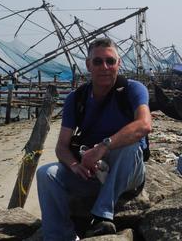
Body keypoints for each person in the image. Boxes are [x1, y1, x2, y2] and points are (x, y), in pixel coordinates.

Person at [36, 37, 152, 240]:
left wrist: (102, 147)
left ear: (119, 63)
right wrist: (74, 165)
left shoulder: (133, 89)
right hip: (93, 172)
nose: (104, 67)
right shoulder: (76, 98)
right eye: (98, 61)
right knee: (46, 173)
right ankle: (59, 236)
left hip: (128, 172)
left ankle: (101, 216)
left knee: (130, 145)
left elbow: (144, 124)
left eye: (110, 61)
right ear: (88, 65)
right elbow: (62, 146)